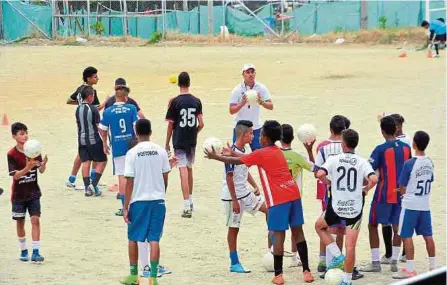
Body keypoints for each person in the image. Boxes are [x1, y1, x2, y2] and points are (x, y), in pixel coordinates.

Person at [205, 120, 314, 284]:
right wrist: (232, 153)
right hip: (293, 194)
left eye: (260, 134)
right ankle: (306, 272)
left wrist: (215, 157)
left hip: (278, 199)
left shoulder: (261, 153)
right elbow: (248, 157)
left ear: (265, 138)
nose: (258, 136)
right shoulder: (276, 150)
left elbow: (239, 161)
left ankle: (278, 275)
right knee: (298, 232)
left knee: (279, 235)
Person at [315, 129, 378, 285]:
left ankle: (336, 255)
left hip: (336, 206)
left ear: (343, 144)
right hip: (354, 208)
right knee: (351, 246)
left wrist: (330, 183)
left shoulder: (334, 159)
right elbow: (374, 179)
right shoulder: (362, 161)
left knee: (319, 227)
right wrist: (366, 189)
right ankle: (348, 281)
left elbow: (319, 174)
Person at [121, 119, 176, 285]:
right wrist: (161, 193)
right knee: (154, 240)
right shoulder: (160, 151)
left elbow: (129, 181)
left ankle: (133, 275)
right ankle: (152, 277)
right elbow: (165, 176)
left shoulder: (132, 153)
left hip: (139, 200)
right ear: (150, 132)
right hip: (158, 200)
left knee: (133, 237)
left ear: (136, 134)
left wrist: (125, 206)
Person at [360, 116, 411, 273]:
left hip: (383, 194)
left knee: (373, 224)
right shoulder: (406, 147)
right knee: (397, 227)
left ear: (382, 131)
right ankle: (394, 261)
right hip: (401, 194)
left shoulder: (380, 149)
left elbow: (369, 171)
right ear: (396, 129)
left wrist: (364, 187)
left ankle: (376, 262)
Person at [222, 120, 266, 273]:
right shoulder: (229, 152)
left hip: (246, 193)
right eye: (251, 133)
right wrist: (234, 201)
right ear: (242, 134)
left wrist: (255, 185)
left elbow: (245, 170)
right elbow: (229, 177)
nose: (253, 136)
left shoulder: (245, 148)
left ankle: (272, 250)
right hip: (233, 197)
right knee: (234, 229)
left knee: (270, 211)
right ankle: (234, 263)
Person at [393, 131, 437, 279]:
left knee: (406, 236)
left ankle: (410, 269)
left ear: (414, 144)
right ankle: (433, 267)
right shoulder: (430, 162)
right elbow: (430, 179)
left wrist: (403, 194)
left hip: (410, 204)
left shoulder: (409, 163)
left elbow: (402, 185)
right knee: (428, 236)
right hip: (425, 205)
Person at [165, 72, 204, 218]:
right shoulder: (196, 101)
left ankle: (186, 205)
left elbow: (170, 125)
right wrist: (195, 133)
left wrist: (167, 143)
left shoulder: (174, 102)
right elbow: (201, 123)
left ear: (178, 84)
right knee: (189, 168)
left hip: (179, 139)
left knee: (182, 170)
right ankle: (191, 199)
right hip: (191, 139)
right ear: (189, 83)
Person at [8, 122, 48, 262]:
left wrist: (43, 165)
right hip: (19, 195)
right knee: (20, 222)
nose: (25, 136)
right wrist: (27, 167)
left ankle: (36, 251)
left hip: (33, 193)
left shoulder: (34, 150)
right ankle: (23, 249)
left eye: (26, 132)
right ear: (14, 136)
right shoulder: (12, 154)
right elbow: (16, 176)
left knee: (35, 219)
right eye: (21, 133)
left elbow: (41, 171)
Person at [314, 115, 348, 273]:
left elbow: (317, 171)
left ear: (330, 129)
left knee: (325, 226)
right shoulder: (347, 147)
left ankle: (323, 260)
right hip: (344, 194)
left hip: (326, 192)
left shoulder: (322, 147)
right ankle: (334, 263)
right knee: (338, 229)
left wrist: (328, 183)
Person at [98, 84, 138, 215]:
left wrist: (104, 144)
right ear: (126, 97)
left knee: (121, 175)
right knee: (134, 174)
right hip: (132, 146)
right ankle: (134, 202)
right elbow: (136, 127)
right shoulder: (131, 108)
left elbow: (103, 130)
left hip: (117, 146)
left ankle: (123, 206)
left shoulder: (108, 111)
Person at [280, 124, 315, 268]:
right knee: (296, 229)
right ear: (293, 138)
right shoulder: (297, 156)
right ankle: (295, 258)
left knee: (276, 230)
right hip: (294, 198)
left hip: (278, 198)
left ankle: (272, 255)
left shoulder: (275, 154)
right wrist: (309, 150)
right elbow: (314, 167)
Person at [66, 66, 103, 189]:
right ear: (89, 78)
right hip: (90, 124)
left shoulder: (80, 88)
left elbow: (68, 101)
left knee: (82, 152)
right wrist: (106, 102)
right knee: (95, 151)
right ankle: (93, 181)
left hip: (81, 124)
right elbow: (96, 109)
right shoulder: (91, 91)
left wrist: (80, 104)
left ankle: (72, 178)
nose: (97, 78)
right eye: (95, 76)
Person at [229, 64, 273, 151]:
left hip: (256, 127)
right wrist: (241, 104)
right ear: (243, 74)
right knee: (237, 155)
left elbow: (271, 106)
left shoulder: (261, 88)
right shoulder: (237, 90)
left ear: (255, 74)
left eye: (252, 72)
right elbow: (231, 110)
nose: (250, 74)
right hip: (240, 128)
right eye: (248, 72)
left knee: (260, 156)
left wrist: (261, 102)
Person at [76, 86, 107, 197]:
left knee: (86, 162)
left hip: (81, 140)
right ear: (90, 96)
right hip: (94, 139)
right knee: (103, 161)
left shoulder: (78, 109)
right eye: (93, 95)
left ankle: (86, 188)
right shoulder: (93, 109)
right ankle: (93, 185)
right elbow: (98, 126)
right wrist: (105, 142)